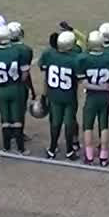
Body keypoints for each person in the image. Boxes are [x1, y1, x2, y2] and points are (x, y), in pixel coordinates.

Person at [0, 25, 32, 154]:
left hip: (1, 89)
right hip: (15, 87)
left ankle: (6, 148)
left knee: (5, 119)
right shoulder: (20, 51)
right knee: (17, 118)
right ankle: (20, 148)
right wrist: (16, 82)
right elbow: (25, 74)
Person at [78, 30, 109, 166]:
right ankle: (103, 157)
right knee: (104, 126)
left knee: (88, 127)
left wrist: (99, 87)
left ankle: (89, 157)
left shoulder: (83, 59)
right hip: (105, 97)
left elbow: (84, 83)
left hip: (92, 97)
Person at [40, 31, 81, 160]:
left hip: (54, 94)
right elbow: (79, 78)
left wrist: (44, 94)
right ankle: (69, 150)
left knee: (55, 122)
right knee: (69, 122)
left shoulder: (49, 54)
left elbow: (45, 73)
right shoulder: (75, 58)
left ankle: (52, 149)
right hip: (69, 96)